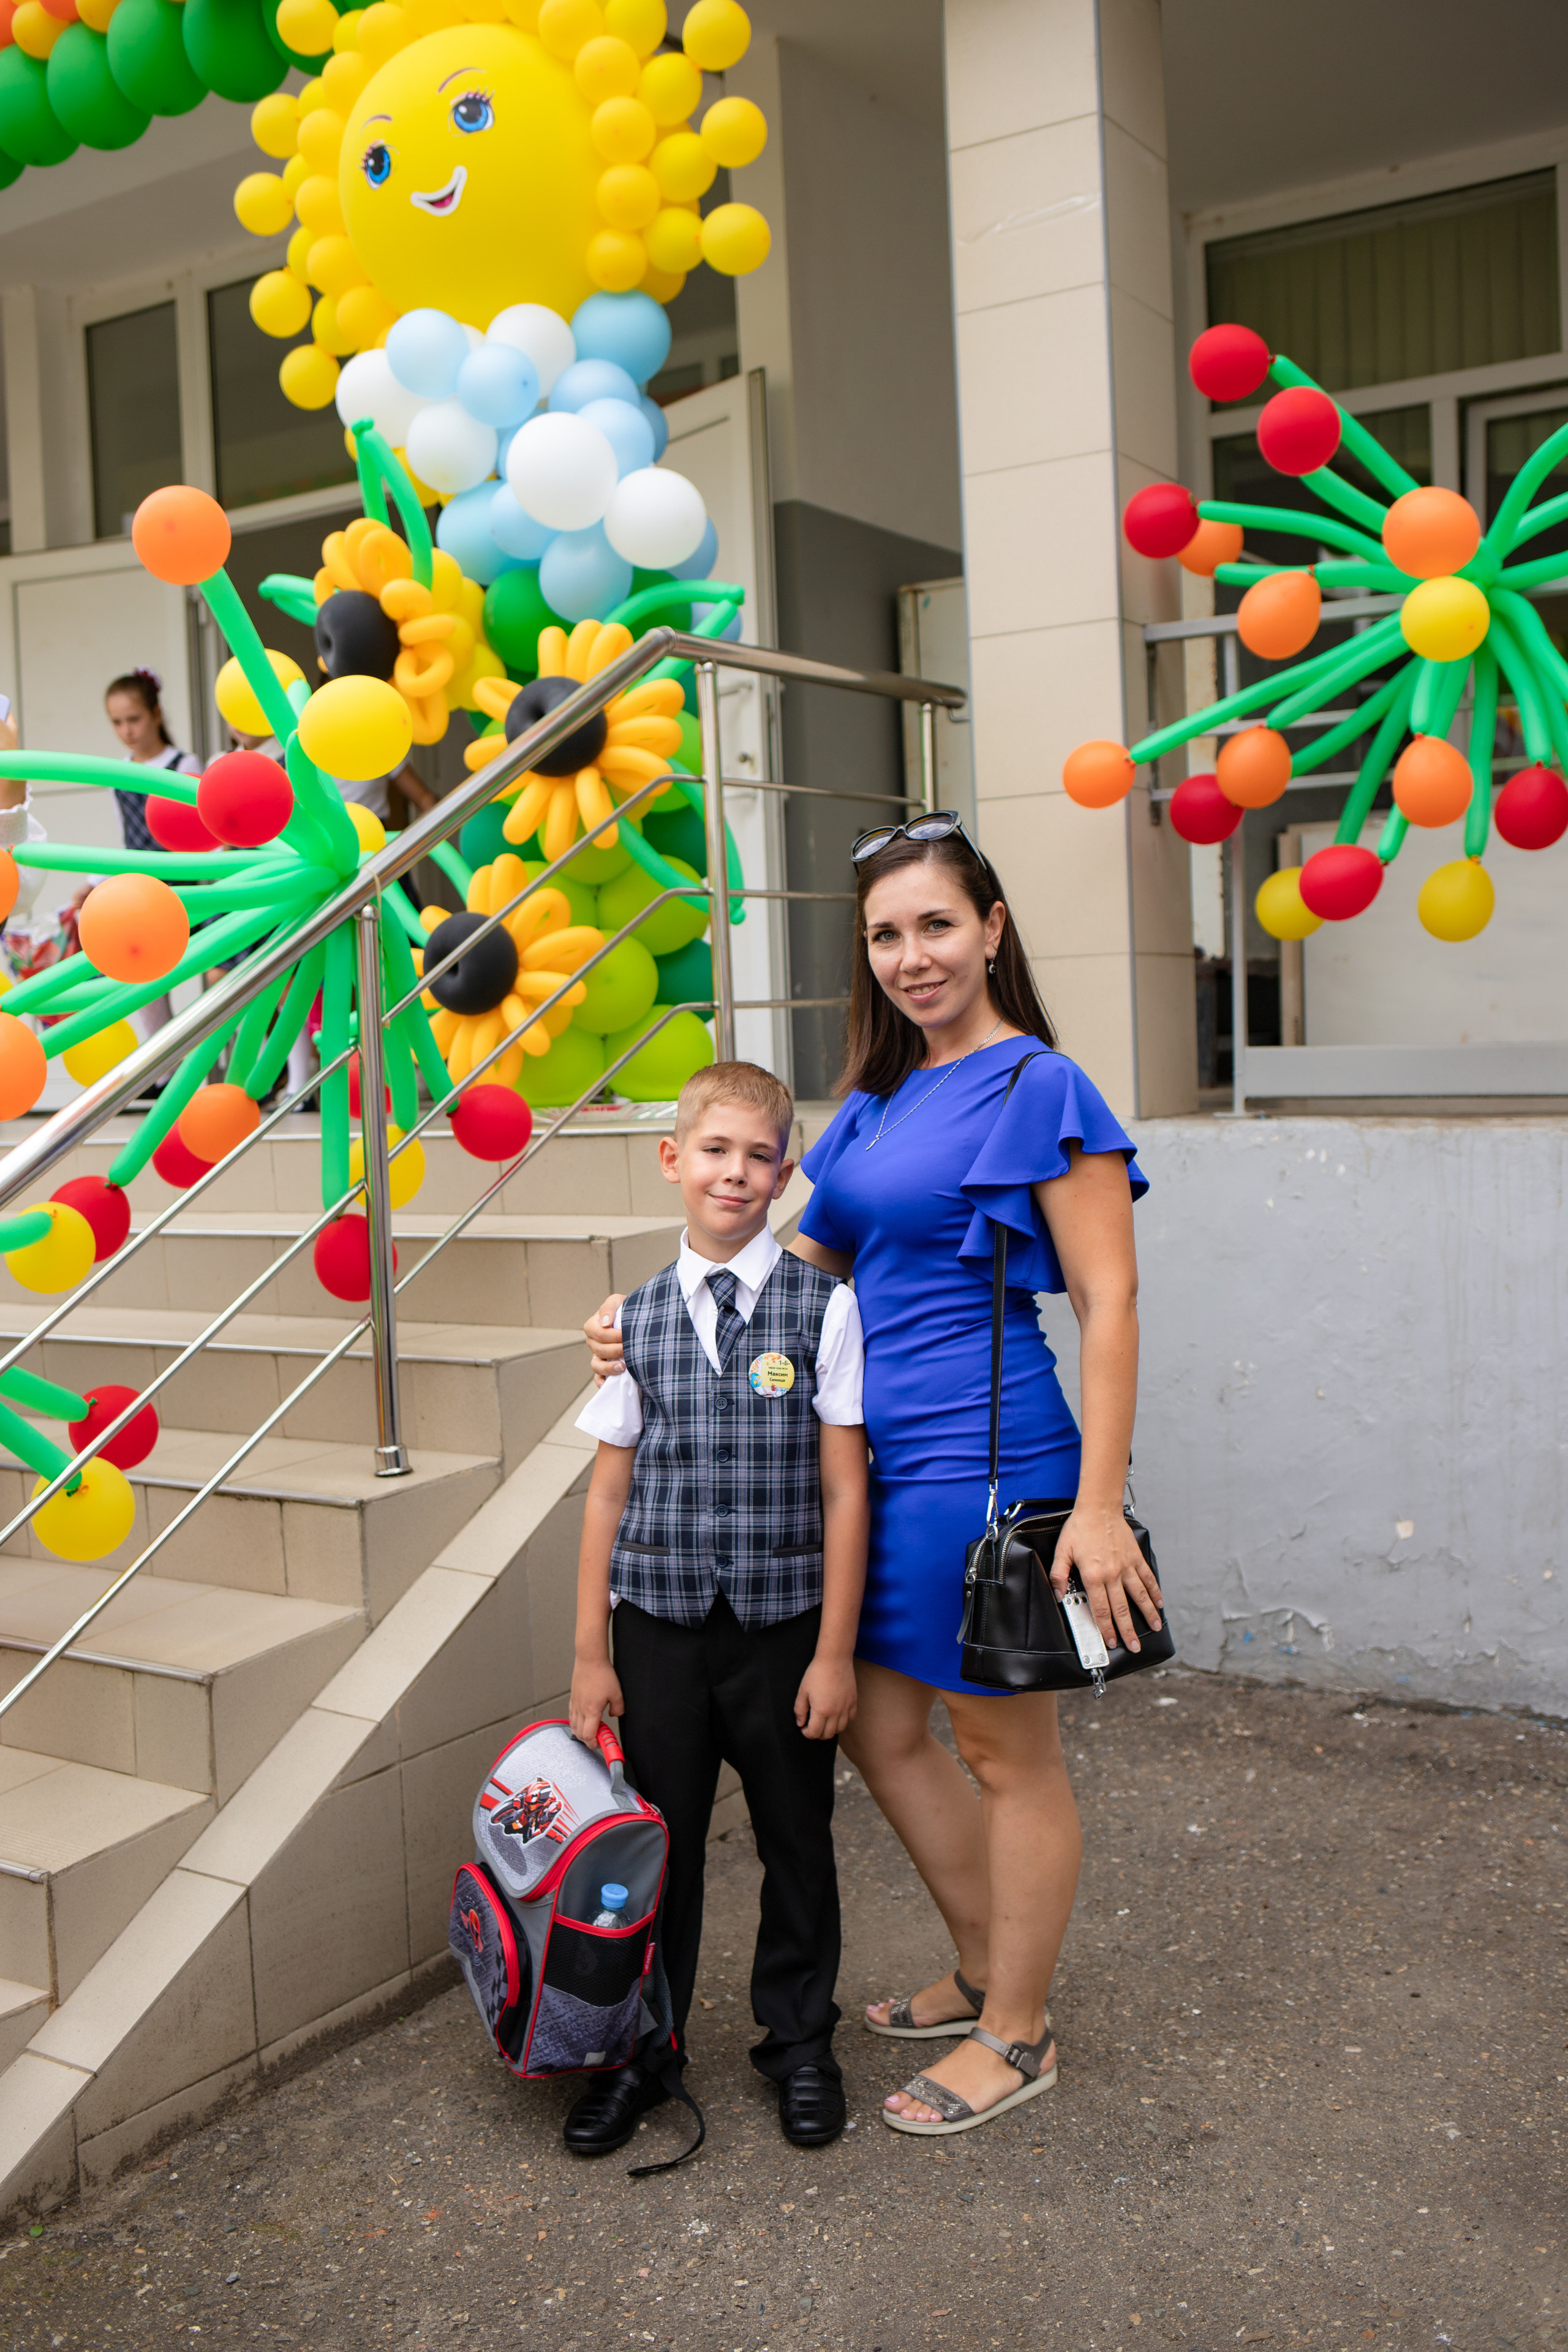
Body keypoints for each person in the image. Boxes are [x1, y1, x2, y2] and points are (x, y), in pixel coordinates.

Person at [584, 812, 1160, 2139]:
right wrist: (638, 1318)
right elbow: (797, 1276)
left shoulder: (1039, 1088)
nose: (912, 956)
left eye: (937, 926)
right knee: (882, 1735)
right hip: (863, 1469)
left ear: (991, 929)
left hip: (985, 1464)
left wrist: (1095, 1505)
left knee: (1003, 1752)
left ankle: (1018, 2033)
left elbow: (1108, 1300)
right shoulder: (872, 1105)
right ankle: (981, 1967)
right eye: (886, 935)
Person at [567, 1061, 869, 2155]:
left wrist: (834, 1654)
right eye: (714, 1151)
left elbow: (845, 1487)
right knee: (663, 1848)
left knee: (798, 1837)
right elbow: (608, 1491)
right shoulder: (632, 1318)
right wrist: (590, 1654)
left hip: (784, 1627)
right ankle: (642, 2053)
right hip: (656, 1628)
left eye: (758, 1156)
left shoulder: (822, 1308)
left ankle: (798, 2042)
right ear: (673, 1159)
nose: (734, 1173)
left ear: (786, 1174)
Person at [69, 672, 203, 1043]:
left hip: (184, 884)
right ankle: (162, 1068)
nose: (126, 730)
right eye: (117, 722)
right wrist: (94, 883)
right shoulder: (120, 773)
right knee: (144, 977)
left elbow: (203, 829)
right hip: (143, 890)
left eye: (134, 719)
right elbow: (127, 842)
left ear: (156, 715)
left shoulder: (184, 763)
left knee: (207, 970)